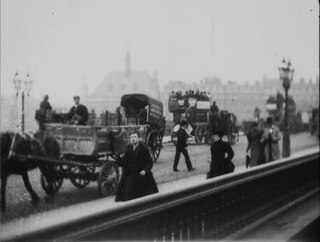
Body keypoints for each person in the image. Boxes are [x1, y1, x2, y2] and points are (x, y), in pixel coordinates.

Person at [115, 131, 158, 202]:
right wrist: (119, 157)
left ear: (138, 138)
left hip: (141, 174)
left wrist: (145, 170)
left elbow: (149, 162)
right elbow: (122, 162)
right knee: (128, 193)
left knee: (144, 194)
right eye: (131, 137)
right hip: (130, 174)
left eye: (135, 137)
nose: (133, 139)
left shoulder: (143, 149)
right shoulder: (127, 149)